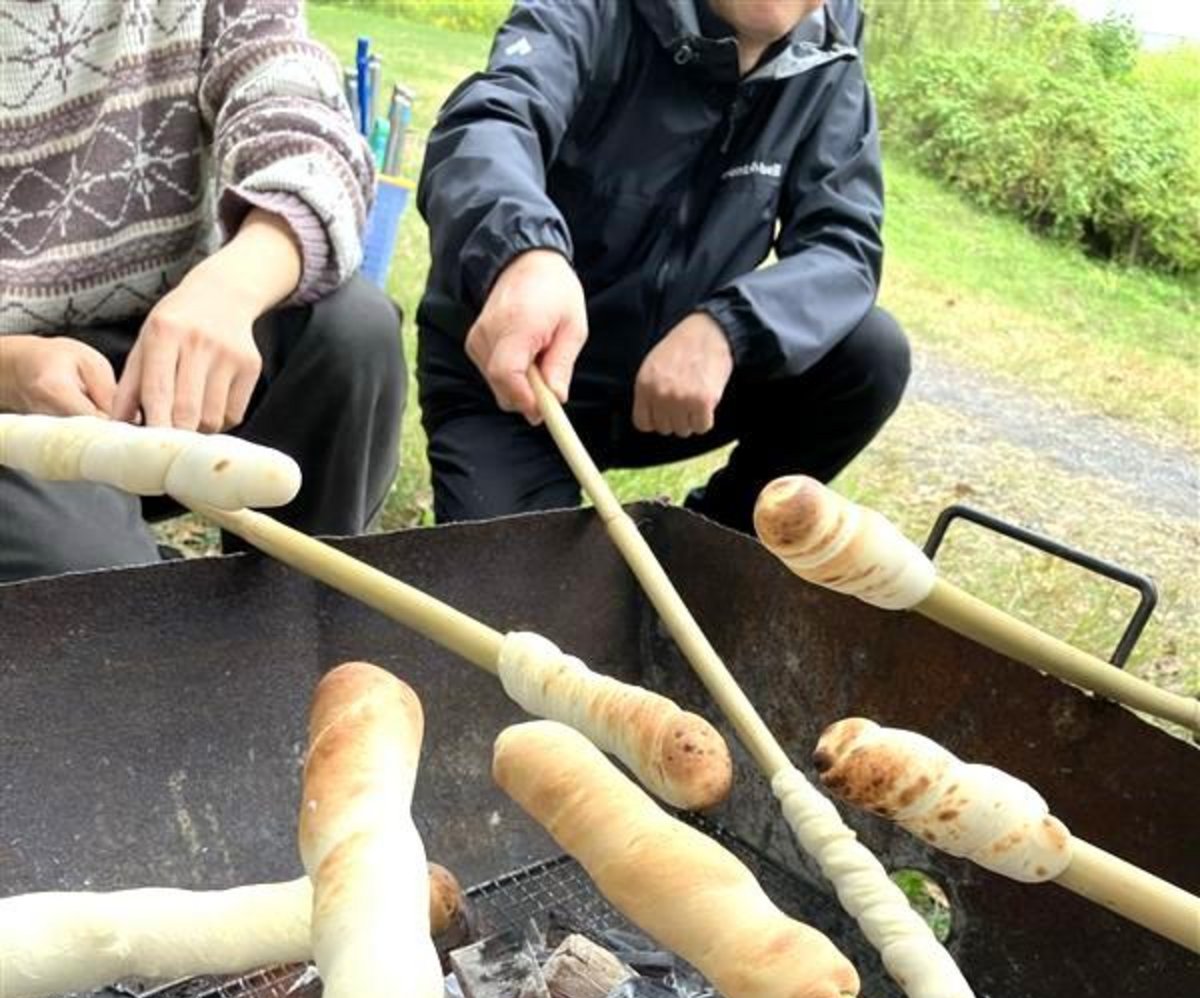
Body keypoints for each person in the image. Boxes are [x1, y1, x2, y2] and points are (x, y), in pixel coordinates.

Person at [417, 0, 911, 534]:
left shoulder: (829, 48)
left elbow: (844, 245)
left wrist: (731, 326)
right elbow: (492, 120)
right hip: (520, 381)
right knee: (518, 579)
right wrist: (523, 251)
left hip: (670, 387)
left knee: (869, 353)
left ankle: (712, 543)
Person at [0, 0, 403, 583]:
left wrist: (231, 285)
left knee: (351, 332)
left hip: (161, 340)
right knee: (91, 577)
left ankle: (302, 614)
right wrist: (10, 369)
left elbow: (306, 119)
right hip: (12, 382)